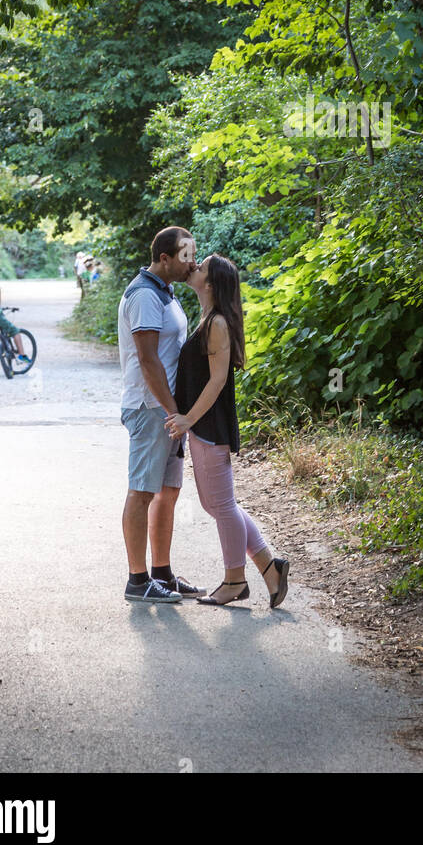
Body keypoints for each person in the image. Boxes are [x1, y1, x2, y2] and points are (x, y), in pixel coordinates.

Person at [167, 253, 289, 609]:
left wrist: (188, 418)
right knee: (217, 504)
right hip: (204, 427)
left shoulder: (216, 322)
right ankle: (270, 568)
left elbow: (218, 380)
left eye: (200, 267)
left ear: (211, 282)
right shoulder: (209, 319)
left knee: (221, 505)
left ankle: (235, 579)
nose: (194, 268)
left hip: (209, 425)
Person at [118, 226, 206, 605]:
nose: (192, 262)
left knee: (167, 493)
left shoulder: (164, 292)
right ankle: (137, 582)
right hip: (151, 409)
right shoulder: (143, 295)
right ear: (165, 258)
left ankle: (162, 574)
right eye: (185, 256)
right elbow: (148, 360)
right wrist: (174, 412)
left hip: (168, 411)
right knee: (142, 492)